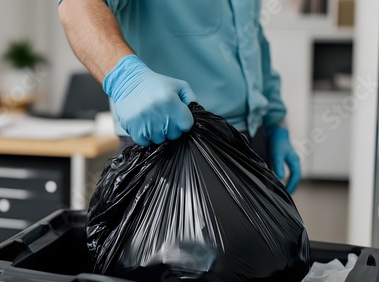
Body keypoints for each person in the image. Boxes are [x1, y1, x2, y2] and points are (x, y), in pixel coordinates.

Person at [58, 0, 301, 194]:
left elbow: (254, 41)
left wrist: (275, 123)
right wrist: (126, 79)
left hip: (253, 141)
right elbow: (77, 6)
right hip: (174, 146)